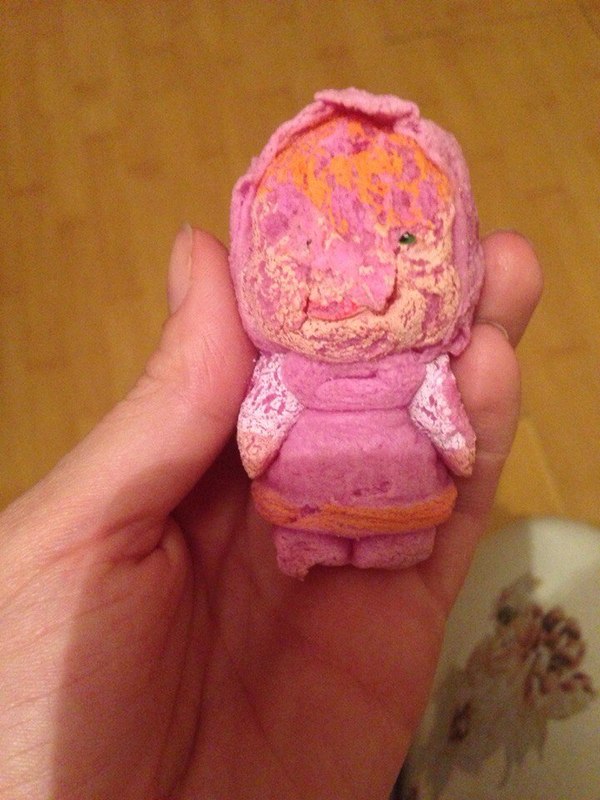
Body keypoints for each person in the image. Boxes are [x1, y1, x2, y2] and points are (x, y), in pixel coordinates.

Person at [0, 226, 542, 799]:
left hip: (395, 512)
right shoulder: (297, 368)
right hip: (312, 513)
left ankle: (373, 544)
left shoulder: (410, 368)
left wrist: (454, 447)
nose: (360, 291)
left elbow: (436, 415)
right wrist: (455, 449)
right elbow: (274, 417)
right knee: (323, 540)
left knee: (392, 540)